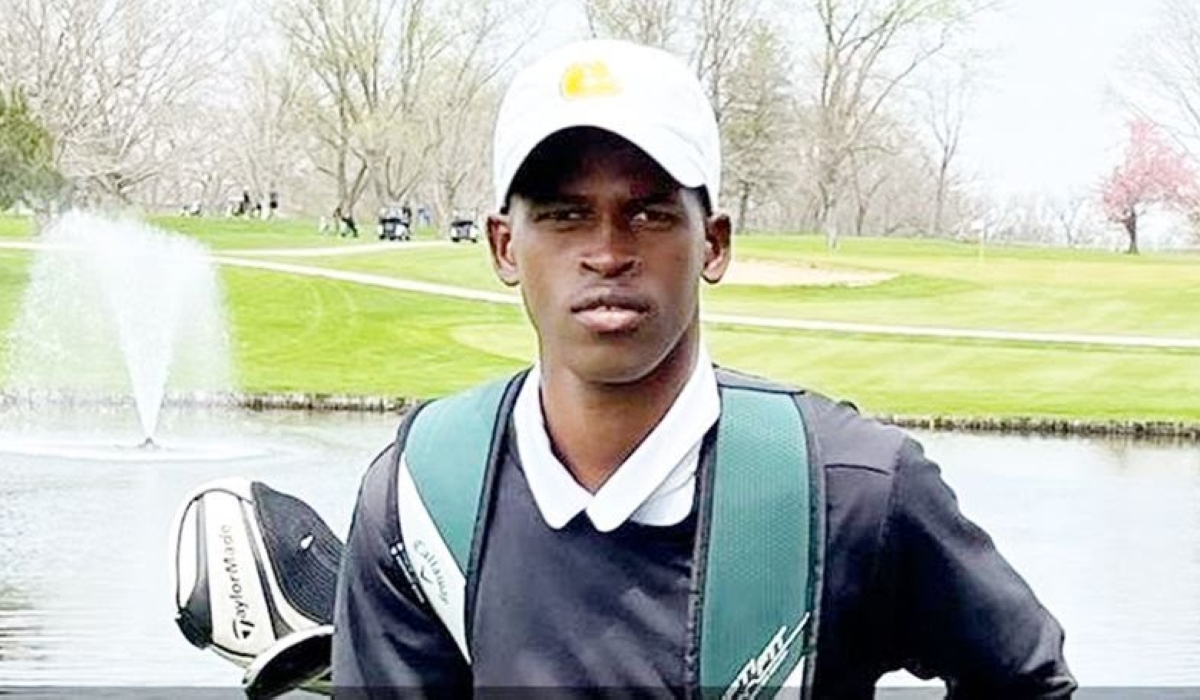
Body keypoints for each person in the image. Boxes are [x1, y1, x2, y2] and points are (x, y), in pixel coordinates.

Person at [332, 39, 1075, 698]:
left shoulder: (852, 489)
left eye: (650, 214)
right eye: (564, 215)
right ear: (502, 246)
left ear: (713, 242)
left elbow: (1027, 679)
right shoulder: (422, 496)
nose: (607, 251)